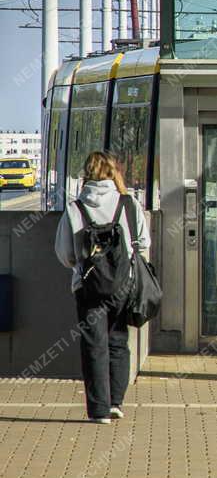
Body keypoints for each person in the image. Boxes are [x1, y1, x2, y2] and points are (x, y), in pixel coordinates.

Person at [55, 151, 150, 424]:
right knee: (118, 341)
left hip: (88, 288)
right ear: (113, 173)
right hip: (123, 286)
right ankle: (116, 402)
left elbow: (65, 254)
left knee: (94, 346)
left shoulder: (75, 209)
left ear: (87, 175)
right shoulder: (128, 204)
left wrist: (84, 268)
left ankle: (99, 410)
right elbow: (143, 243)